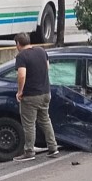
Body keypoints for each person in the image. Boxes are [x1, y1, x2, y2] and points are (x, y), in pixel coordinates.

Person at [13, 32, 58, 162]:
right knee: (45, 120)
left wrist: (20, 91)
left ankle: (29, 151)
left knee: (29, 124)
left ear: (18, 44)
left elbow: (22, 75)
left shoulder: (21, 56)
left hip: (31, 95)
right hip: (45, 92)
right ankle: (53, 147)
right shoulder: (41, 51)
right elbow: (47, 67)